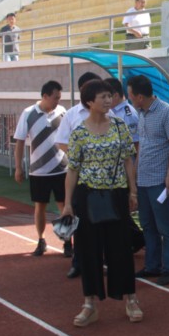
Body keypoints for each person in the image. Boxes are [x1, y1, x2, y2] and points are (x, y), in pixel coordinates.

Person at [61, 79, 142, 327]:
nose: (109, 100)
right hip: (87, 198)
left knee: (121, 249)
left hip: (116, 195)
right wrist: (68, 204)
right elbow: (73, 169)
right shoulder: (79, 132)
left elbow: (128, 159)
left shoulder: (119, 126)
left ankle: (131, 299)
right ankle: (90, 304)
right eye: (103, 97)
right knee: (89, 251)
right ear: (89, 102)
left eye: (110, 96)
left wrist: (133, 191)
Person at [127, 75, 169, 286]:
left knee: (165, 227)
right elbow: (142, 145)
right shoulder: (141, 113)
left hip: (159, 181)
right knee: (148, 225)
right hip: (144, 180)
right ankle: (152, 266)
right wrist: (136, 175)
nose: (130, 99)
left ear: (140, 97)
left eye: (131, 95)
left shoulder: (166, 112)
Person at [13, 80, 68, 257]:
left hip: (62, 168)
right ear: (45, 96)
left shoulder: (62, 111)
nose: (58, 101)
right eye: (55, 98)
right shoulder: (28, 113)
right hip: (39, 171)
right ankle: (41, 240)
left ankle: (67, 242)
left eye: (59, 98)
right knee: (40, 206)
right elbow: (20, 141)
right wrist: (18, 167)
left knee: (64, 206)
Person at [56, 71, 102, 277]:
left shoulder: (112, 116)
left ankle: (101, 261)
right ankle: (78, 262)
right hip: (80, 177)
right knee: (80, 222)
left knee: (103, 221)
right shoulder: (72, 114)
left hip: (104, 180)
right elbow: (61, 142)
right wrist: (81, 155)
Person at [106, 77, 140, 150]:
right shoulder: (109, 111)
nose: (105, 100)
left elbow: (136, 143)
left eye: (107, 96)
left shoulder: (128, 114)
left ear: (116, 95)